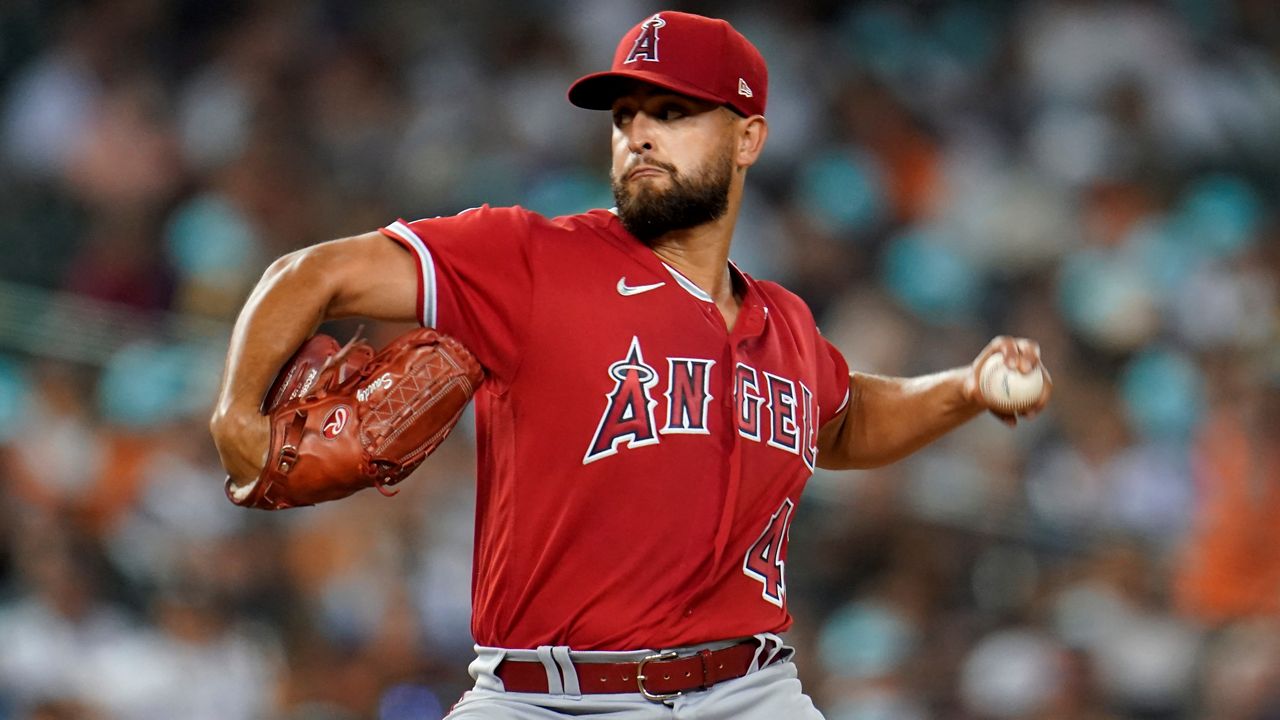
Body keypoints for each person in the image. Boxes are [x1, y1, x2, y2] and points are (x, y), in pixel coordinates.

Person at [210, 10, 1051, 719]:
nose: (639, 132)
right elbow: (312, 274)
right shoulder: (529, 256)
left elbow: (849, 418)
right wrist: (236, 413)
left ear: (748, 136)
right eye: (625, 115)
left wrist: (966, 388)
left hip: (750, 690)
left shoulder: (785, 323)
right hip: (546, 697)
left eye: (674, 110)